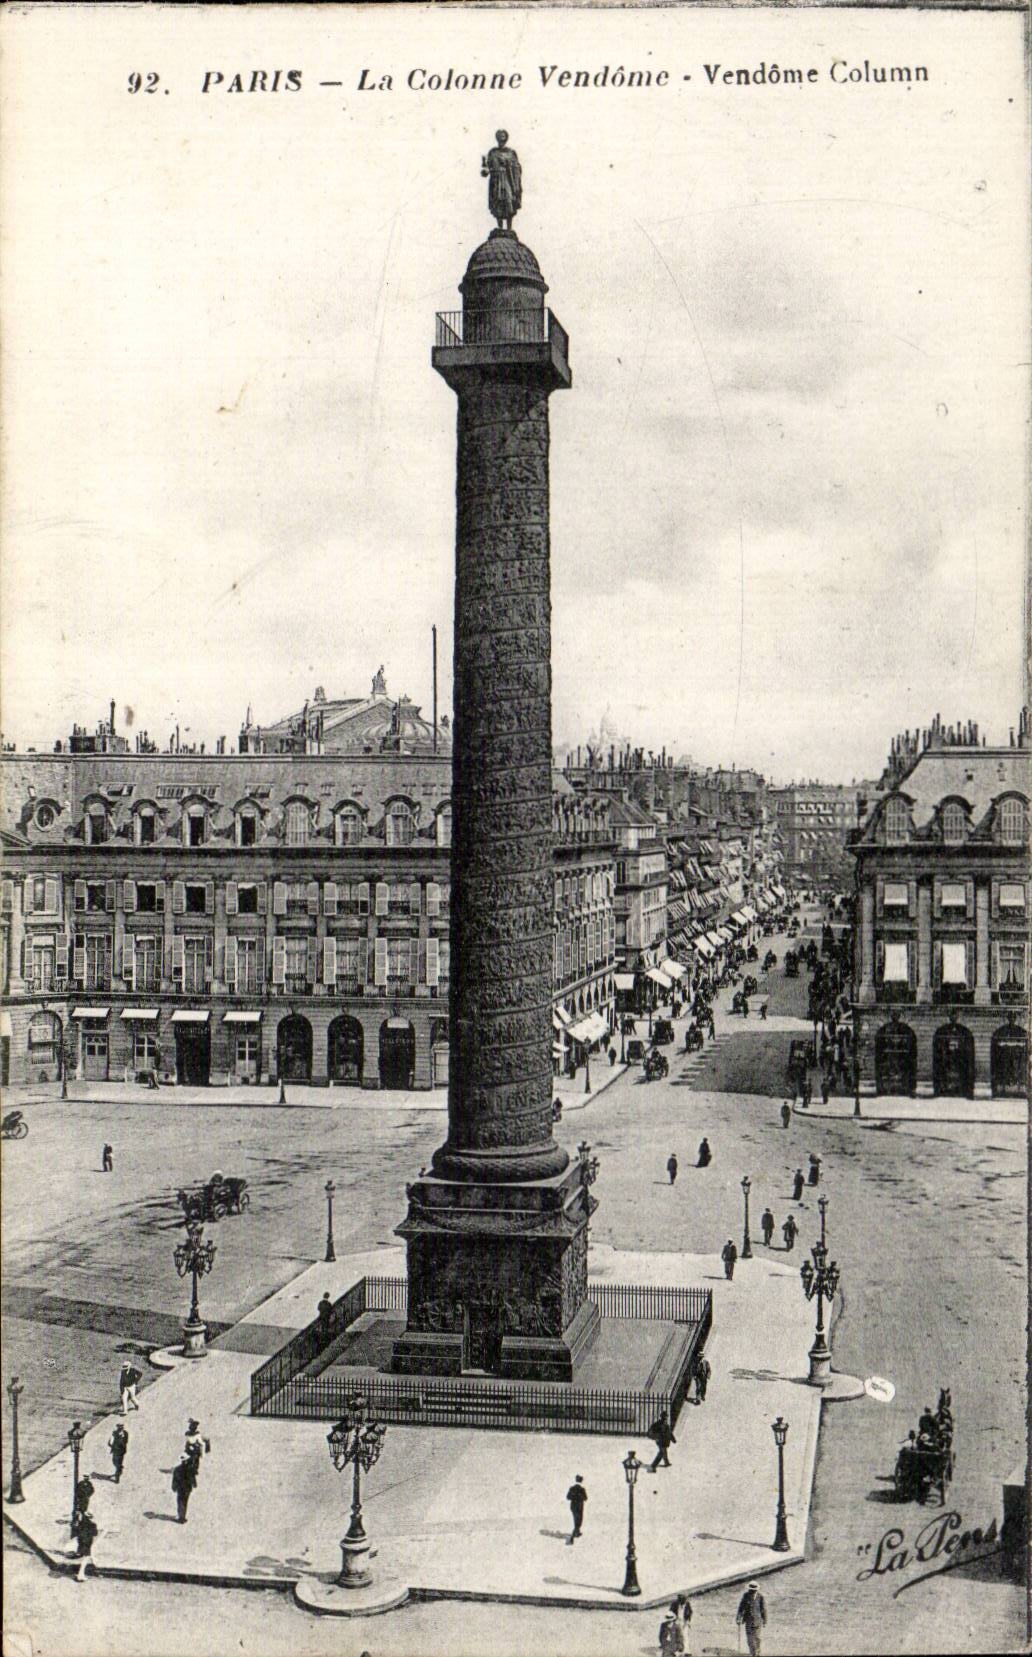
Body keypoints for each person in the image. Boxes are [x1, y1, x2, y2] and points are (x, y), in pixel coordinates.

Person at [481, 130, 522, 229]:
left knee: (509, 200)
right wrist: (485, 167)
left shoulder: (511, 153)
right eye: (500, 136)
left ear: (506, 137)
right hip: (496, 180)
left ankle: (509, 228)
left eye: (503, 135)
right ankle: (499, 227)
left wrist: (509, 165)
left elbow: (517, 167)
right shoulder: (492, 152)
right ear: (497, 138)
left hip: (508, 180)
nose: (502, 137)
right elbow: (487, 168)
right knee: (498, 201)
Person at [736, 1581, 768, 1657]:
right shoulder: (746, 1596)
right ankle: (752, 1652)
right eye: (751, 1590)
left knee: (757, 1637)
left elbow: (764, 1609)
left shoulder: (760, 1597)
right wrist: (738, 1618)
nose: (752, 1591)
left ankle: (757, 1652)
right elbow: (741, 1608)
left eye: (754, 1590)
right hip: (748, 1620)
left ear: (756, 1590)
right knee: (749, 1638)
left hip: (757, 1621)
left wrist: (765, 1621)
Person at [171, 1452, 196, 1524]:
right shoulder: (190, 1468)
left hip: (180, 1488)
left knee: (180, 1502)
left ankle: (181, 1517)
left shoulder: (177, 1469)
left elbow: (175, 1479)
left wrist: (174, 1487)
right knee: (185, 1502)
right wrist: (194, 1484)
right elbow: (192, 1478)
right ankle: (183, 1517)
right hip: (187, 1488)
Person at [566, 1473, 587, 1542]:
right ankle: (573, 1534)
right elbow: (585, 1498)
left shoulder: (572, 1488)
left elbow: (568, 1497)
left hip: (573, 1506)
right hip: (580, 1506)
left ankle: (577, 1532)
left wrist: (573, 1496)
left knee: (576, 1519)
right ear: (581, 1481)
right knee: (579, 1520)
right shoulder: (582, 1489)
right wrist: (580, 1496)